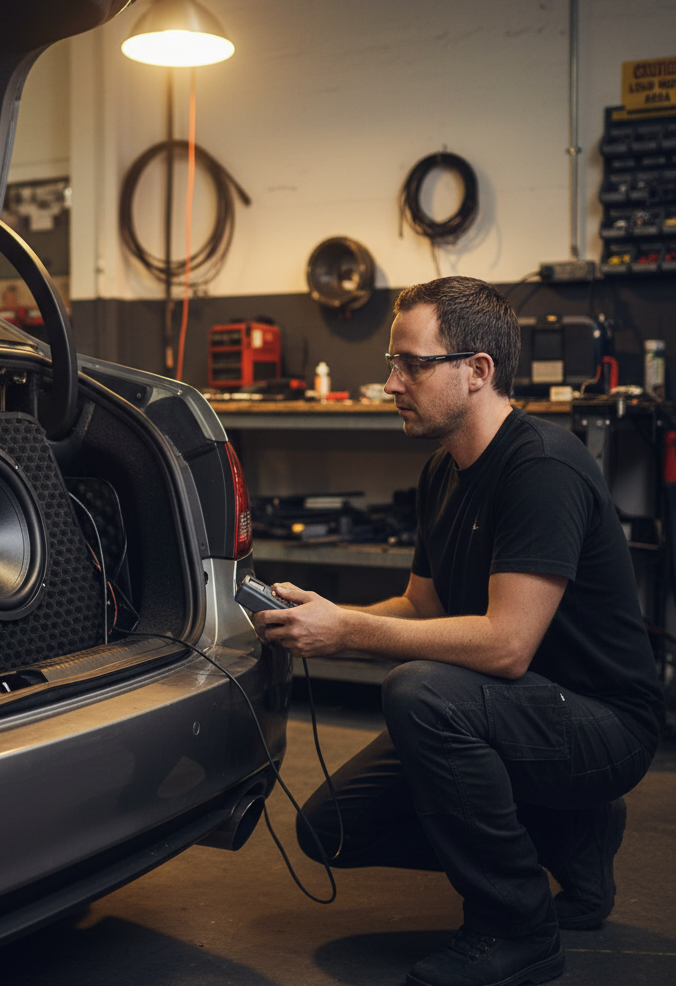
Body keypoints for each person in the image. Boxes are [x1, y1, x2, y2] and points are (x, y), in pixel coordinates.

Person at [254, 276, 665, 986]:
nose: (390, 383)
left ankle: (517, 928)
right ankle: (572, 834)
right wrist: (315, 613)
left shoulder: (542, 467)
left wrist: (347, 632)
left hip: (603, 725)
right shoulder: (443, 472)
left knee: (423, 693)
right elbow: (422, 606)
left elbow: (506, 646)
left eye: (411, 364)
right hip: (521, 713)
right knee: (331, 830)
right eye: (393, 363)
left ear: (477, 372)